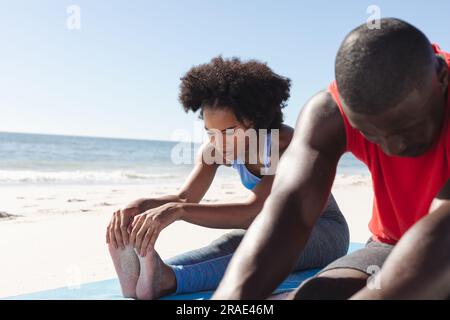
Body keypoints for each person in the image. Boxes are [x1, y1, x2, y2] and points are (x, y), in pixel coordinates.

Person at [212, 18, 450, 300]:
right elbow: (291, 210)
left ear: (442, 78)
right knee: (316, 295)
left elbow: (441, 235)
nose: (392, 147)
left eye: (407, 127)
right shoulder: (328, 114)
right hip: (390, 244)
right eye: (372, 134)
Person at [106, 56, 349, 299]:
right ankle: (150, 272)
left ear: (253, 120)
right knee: (227, 244)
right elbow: (185, 196)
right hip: (272, 226)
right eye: (210, 133)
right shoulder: (214, 150)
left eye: (228, 131)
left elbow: (252, 212)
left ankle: (170, 280)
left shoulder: (285, 146)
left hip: (322, 229)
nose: (218, 143)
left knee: (263, 248)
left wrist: (178, 211)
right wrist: (139, 206)